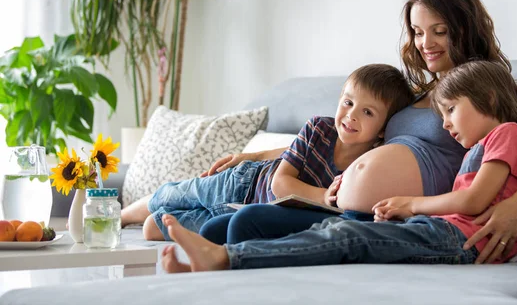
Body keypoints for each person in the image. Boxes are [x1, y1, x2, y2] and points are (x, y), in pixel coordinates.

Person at [195, 0, 517, 263]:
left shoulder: (495, 94)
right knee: (226, 226)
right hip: (349, 206)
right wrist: (252, 156)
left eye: (439, 31)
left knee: (241, 228)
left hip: (397, 220)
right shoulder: (416, 93)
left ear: (466, 27)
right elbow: (344, 140)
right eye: (417, 31)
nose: (425, 43)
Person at [159, 60, 517, 272]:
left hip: (453, 239)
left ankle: (224, 258)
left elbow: (474, 201)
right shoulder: (478, 137)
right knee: (332, 229)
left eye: (451, 112)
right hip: (429, 225)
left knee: (345, 238)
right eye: (441, 112)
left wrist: (409, 203)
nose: (444, 123)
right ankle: (195, 255)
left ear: (490, 98)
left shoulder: (508, 132)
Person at [121, 64, 414, 240]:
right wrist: (323, 197)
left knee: (152, 228)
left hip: (249, 213)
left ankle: (143, 218)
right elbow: (280, 183)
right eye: (347, 103)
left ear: (382, 130)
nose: (351, 116)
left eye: (367, 112)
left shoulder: (368, 168)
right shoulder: (319, 129)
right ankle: (120, 216)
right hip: (244, 183)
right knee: (174, 195)